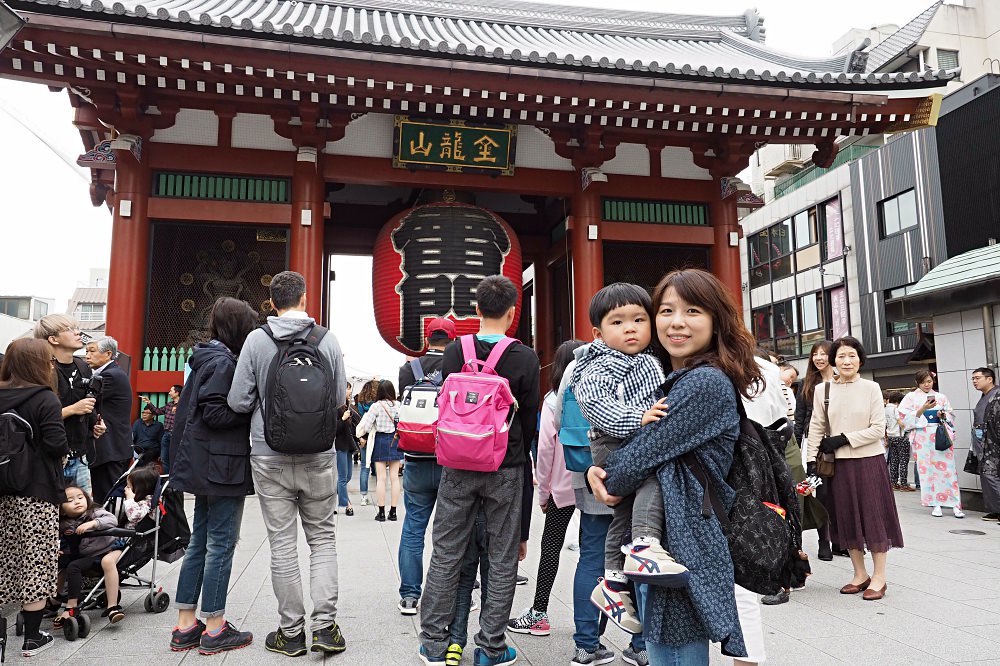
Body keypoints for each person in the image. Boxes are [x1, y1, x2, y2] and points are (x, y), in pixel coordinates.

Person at [587, 268, 763, 663]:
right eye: (665, 311)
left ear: (716, 320)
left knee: (674, 650)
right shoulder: (679, 377)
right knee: (667, 643)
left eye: (693, 311)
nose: (676, 322)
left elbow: (645, 452)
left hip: (684, 540)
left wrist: (604, 474)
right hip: (675, 536)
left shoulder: (704, 383)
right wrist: (597, 470)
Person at [418, 275, 540, 666]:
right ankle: (490, 647)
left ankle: (434, 645)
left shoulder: (455, 350)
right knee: (502, 557)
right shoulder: (525, 357)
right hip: (505, 464)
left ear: (475, 310)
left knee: (446, 553)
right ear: (512, 313)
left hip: (457, 463)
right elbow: (530, 420)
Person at [228, 271, 348, 657]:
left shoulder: (257, 340)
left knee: (282, 545)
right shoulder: (326, 339)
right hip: (318, 454)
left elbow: (239, 401)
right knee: (323, 540)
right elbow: (339, 402)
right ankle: (325, 629)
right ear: (305, 297)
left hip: (269, 454)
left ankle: (291, 633)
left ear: (272, 302)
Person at [571, 283, 685, 634]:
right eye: (618, 322)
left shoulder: (645, 359)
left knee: (623, 508)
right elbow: (596, 404)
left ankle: (613, 582)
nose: (630, 328)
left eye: (638, 319)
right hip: (613, 438)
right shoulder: (600, 362)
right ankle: (645, 544)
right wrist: (638, 417)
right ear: (598, 333)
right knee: (651, 479)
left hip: (635, 436)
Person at [169, 297, 257, 654]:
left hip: (205, 464)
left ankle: (186, 625)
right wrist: (251, 408)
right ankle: (215, 628)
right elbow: (217, 414)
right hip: (223, 466)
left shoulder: (206, 356)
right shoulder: (224, 363)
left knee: (199, 542)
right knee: (221, 544)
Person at [807, 336, 901, 600]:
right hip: (837, 466)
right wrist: (812, 460)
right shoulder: (822, 390)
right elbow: (816, 426)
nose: (846, 361)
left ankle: (879, 577)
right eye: (841, 356)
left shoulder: (871, 388)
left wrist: (845, 438)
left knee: (873, 516)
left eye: (852, 356)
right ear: (833, 361)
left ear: (860, 360)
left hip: (869, 462)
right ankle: (860, 574)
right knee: (846, 516)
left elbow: (877, 429)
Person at [507, 340, 583, 638]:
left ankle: (539, 614)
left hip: (562, 488)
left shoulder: (553, 400)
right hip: (597, 485)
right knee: (596, 554)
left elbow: (546, 452)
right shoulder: (600, 393)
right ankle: (594, 626)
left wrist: (543, 493)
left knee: (551, 547)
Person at [0, 338, 70, 657]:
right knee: (36, 559)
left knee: (4, 560)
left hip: (2, 492)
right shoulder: (45, 398)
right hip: (36, 492)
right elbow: (56, 445)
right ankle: (32, 637)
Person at [397, 317, 456, 614]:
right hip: (450, 459)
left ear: (427, 338)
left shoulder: (409, 369)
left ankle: (409, 595)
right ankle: (446, 596)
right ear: (453, 338)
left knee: (413, 528)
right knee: (450, 533)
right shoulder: (457, 366)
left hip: (416, 460)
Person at [34, 314, 101, 494]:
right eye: (69, 330)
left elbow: (90, 404)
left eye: (76, 328)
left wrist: (96, 424)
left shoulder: (83, 367)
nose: (77, 332)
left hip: (81, 455)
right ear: (53, 339)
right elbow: (33, 417)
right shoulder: (41, 370)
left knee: (82, 512)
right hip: (49, 458)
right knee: (52, 514)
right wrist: (73, 409)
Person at [794, 340, 842, 561]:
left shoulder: (842, 381)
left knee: (841, 493)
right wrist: (795, 448)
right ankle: (824, 540)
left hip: (841, 443)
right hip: (815, 445)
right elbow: (800, 418)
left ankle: (841, 540)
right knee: (821, 493)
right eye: (815, 354)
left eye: (824, 354)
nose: (819, 358)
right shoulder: (806, 383)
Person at [899, 370, 964, 518]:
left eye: (929, 381)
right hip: (923, 435)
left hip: (940, 433)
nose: (927, 385)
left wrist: (943, 415)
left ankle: (955, 504)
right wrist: (923, 409)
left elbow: (950, 414)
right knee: (928, 470)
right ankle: (935, 503)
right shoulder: (910, 397)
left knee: (948, 468)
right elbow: (903, 417)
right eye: (923, 382)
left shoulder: (941, 397)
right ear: (917, 383)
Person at [55, 485, 123, 626]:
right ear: (61, 509)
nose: (77, 502)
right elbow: (56, 538)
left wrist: (93, 524)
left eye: (80, 498)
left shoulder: (94, 512)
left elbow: (112, 520)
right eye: (70, 500)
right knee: (59, 562)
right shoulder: (62, 523)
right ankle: (54, 599)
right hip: (85, 555)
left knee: (107, 562)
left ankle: (112, 607)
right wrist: (56, 549)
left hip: (108, 549)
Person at [84, 336, 134, 503]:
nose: (87, 356)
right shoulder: (112, 372)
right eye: (86, 351)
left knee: (108, 498)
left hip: (110, 446)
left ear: (108, 354)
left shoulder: (109, 375)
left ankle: (111, 527)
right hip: (113, 446)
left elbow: (87, 401)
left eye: (92, 351)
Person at [356, 379, 402, 522]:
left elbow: (367, 426)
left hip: (381, 441)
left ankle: (381, 513)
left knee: (381, 479)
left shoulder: (376, 406)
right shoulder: (399, 405)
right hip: (395, 440)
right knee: (394, 478)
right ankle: (393, 512)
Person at [972, 368, 1000, 520]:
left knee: (992, 475)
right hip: (983, 442)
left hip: (994, 442)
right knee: (987, 475)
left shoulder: (997, 395)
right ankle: (995, 510)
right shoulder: (985, 396)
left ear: (989, 379)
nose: (974, 381)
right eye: (973, 379)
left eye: (977, 378)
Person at [141, 384, 181, 473]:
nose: (169, 393)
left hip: (177, 435)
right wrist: (148, 402)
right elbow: (157, 411)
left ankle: (174, 479)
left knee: (176, 458)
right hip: (166, 434)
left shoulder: (183, 405)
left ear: (177, 393)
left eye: (171, 391)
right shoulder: (169, 405)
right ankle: (167, 480)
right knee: (164, 458)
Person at [335, 382, 361, 517]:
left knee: (347, 476)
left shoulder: (349, 407)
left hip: (348, 445)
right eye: (347, 389)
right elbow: (332, 429)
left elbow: (352, 428)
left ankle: (332, 495)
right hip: (339, 445)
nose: (349, 392)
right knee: (342, 478)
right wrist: (343, 419)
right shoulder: (335, 408)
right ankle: (347, 504)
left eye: (350, 389)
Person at [354, 379, 380, 505]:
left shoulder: (361, 401)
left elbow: (361, 420)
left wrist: (361, 437)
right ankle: (380, 494)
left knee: (365, 467)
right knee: (379, 466)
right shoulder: (378, 403)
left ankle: (363, 496)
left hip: (365, 437)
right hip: (377, 436)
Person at [884, 392, 910, 491]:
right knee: (903, 460)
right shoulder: (896, 409)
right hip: (900, 436)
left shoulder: (885, 409)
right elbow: (900, 422)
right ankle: (904, 484)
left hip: (890, 437)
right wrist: (908, 427)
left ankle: (893, 483)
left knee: (893, 460)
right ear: (898, 401)